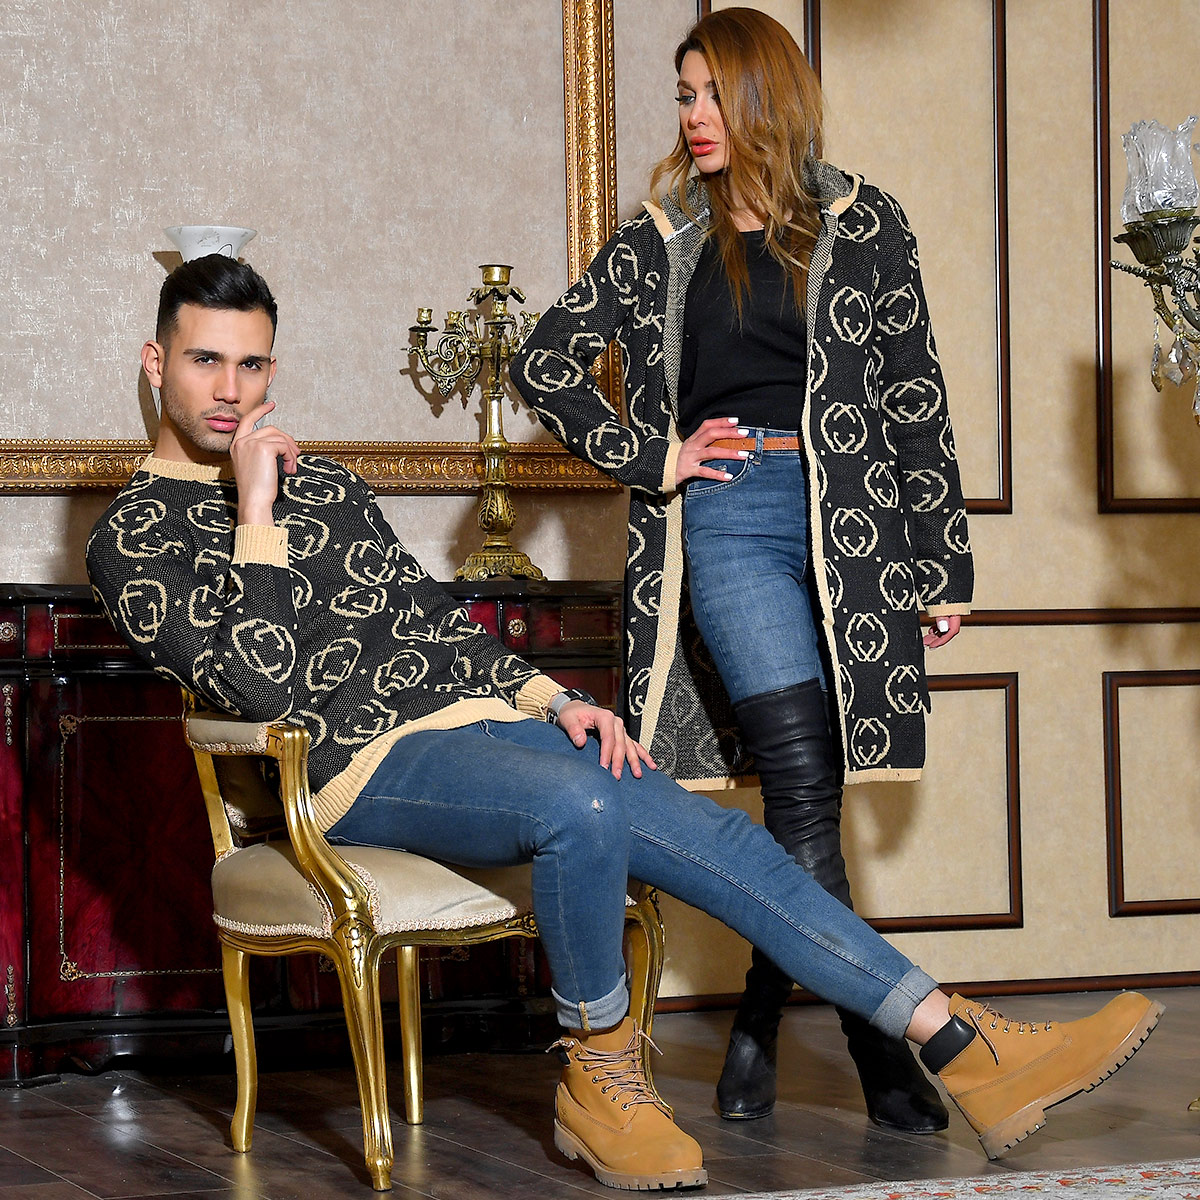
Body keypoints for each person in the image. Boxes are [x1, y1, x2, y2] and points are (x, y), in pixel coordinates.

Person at [87, 253, 1161, 1192]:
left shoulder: (326, 486)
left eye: (251, 365)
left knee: (719, 833)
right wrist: (256, 510)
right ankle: (599, 1073)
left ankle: (964, 1044)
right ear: (155, 362)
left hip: (484, 729)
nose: (230, 390)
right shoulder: (132, 535)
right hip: (355, 770)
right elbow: (261, 687)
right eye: (205, 361)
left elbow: (432, 623)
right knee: (584, 805)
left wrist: (558, 701)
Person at [512, 7, 967, 1132]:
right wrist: (653, 455)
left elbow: (915, 394)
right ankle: (887, 1056)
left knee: (813, 799)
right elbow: (544, 359)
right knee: (803, 785)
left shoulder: (865, 223)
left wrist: (939, 561)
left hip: (852, 529)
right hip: (728, 518)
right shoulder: (664, 236)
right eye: (684, 95)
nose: (694, 116)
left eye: (713, 92)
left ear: (769, 97)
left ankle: (760, 1017)